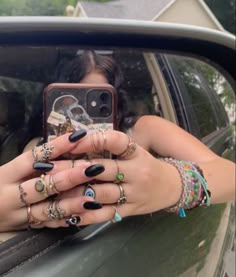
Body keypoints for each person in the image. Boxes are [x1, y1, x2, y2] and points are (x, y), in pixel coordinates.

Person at [0, 51, 235, 232]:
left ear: (115, 97)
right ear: (56, 100)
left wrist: (168, 184)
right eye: (74, 101)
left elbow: (230, 175)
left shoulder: (143, 131)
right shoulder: (41, 147)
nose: (84, 116)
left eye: (98, 99)